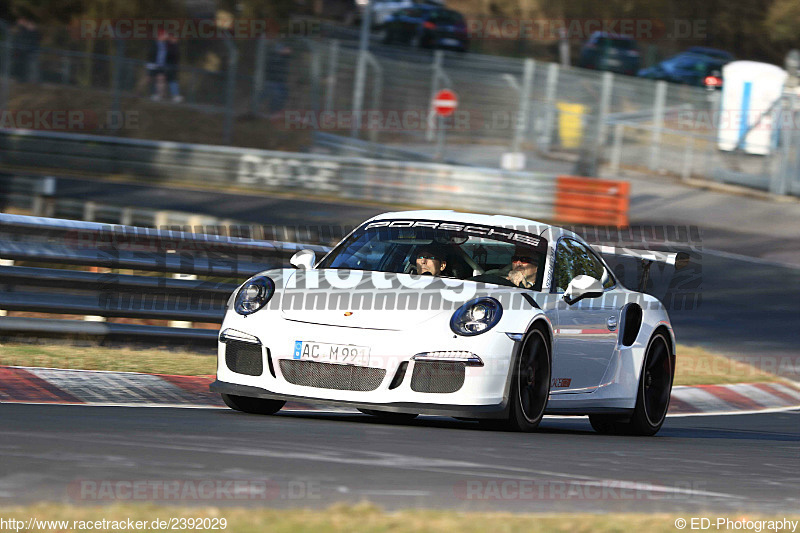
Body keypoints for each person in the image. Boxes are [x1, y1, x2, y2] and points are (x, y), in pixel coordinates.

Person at [148, 30, 182, 102]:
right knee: (160, 80)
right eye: (165, 35)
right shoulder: (157, 44)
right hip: (160, 66)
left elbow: (174, 55)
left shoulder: (170, 45)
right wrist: (150, 66)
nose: (166, 37)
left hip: (168, 66)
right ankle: (159, 95)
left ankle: (174, 95)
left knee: (171, 80)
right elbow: (151, 55)